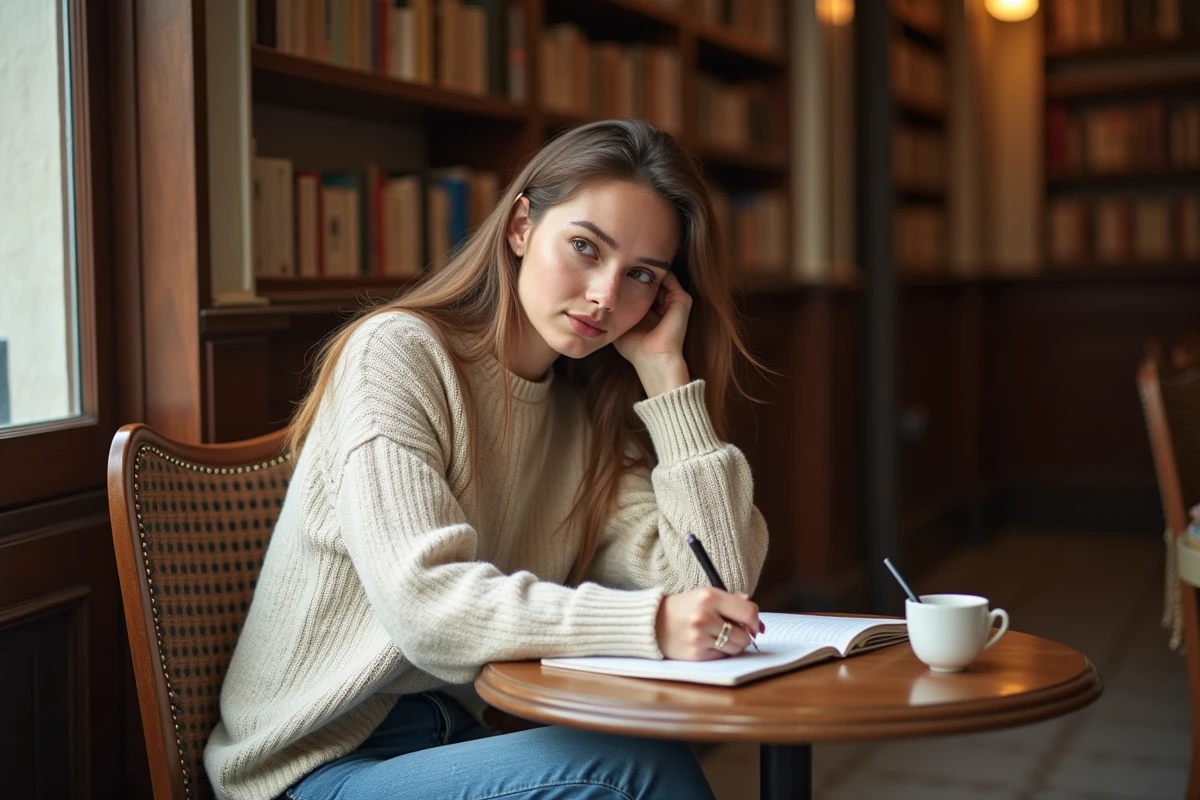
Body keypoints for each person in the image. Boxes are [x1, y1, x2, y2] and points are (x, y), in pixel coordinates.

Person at [204, 119, 770, 800]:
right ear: (521, 227)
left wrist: (668, 383)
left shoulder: (583, 417)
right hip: (312, 769)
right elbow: (427, 608)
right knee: (635, 771)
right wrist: (650, 625)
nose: (604, 295)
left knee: (641, 754)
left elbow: (719, 586)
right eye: (586, 247)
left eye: (641, 276)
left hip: (456, 743)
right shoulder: (398, 355)